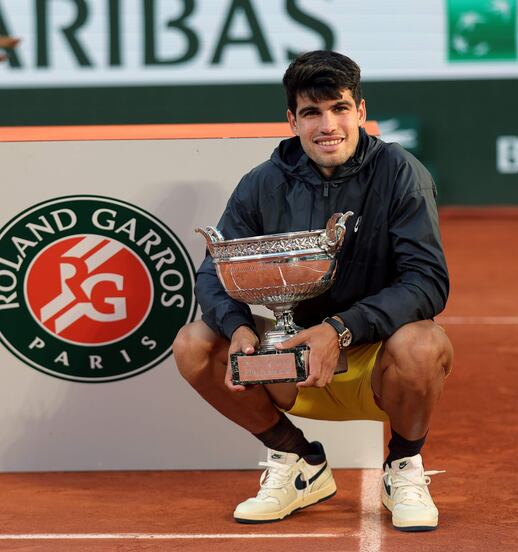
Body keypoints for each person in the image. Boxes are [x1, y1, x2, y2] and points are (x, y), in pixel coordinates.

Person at [173, 50, 453, 532]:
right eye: (312, 113)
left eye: (339, 108)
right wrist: (237, 326)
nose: (328, 125)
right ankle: (299, 461)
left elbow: (427, 281)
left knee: (425, 343)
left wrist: (341, 329)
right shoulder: (261, 184)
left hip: (376, 363)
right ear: (292, 120)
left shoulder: (401, 173)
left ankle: (404, 466)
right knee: (196, 344)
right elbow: (213, 273)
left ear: (360, 112)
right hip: (291, 362)